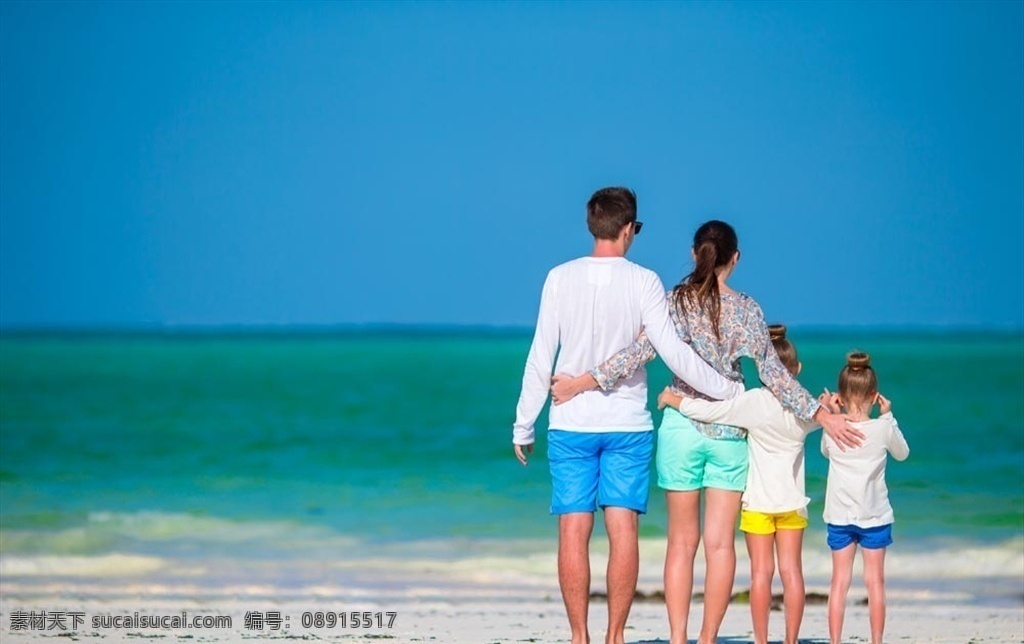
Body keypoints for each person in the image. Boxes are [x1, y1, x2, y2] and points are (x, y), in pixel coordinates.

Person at [550, 220, 863, 644]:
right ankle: (707, 639)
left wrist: (579, 383)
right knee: (719, 546)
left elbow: (636, 354)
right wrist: (820, 414)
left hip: (681, 428)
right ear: (735, 259)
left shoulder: (674, 301)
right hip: (729, 429)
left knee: (681, 544)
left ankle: (677, 637)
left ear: (695, 252)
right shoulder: (748, 309)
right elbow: (773, 374)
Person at [512, 188, 745, 644]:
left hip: (570, 422)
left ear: (592, 226)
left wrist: (524, 423)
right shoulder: (644, 281)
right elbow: (672, 351)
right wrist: (727, 389)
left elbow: (541, 355)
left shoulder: (559, 277)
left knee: (572, 531)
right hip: (627, 426)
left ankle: (579, 636)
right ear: (626, 229)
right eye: (636, 229)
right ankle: (614, 636)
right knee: (624, 532)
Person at [656, 324, 825, 644]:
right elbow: (818, 419)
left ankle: (691, 638)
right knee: (779, 567)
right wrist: (828, 407)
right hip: (789, 501)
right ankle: (772, 639)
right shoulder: (802, 412)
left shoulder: (753, 402)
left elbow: (712, 410)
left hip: (754, 501)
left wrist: (673, 399)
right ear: (797, 368)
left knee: (696, 549)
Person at [819, 352, 909, 644]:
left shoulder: (834, 430)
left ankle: (835, 641)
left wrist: (831, 415)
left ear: (840, 396)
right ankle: (876, 641)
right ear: (874, 395)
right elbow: (902, 453)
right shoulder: (883, 428)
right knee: (875, 583)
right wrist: (888, 416)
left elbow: (824, 452)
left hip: (840, 516)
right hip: (875, 516)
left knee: (839, 583)